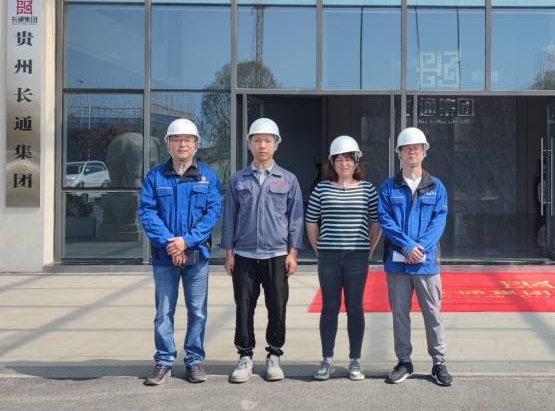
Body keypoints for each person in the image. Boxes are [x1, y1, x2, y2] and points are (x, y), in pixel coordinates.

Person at [220, 118, 304, 383]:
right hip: (244, 255)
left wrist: (293, 253)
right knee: (244, 309)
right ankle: (245, 357)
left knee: (277, 308)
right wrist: (229, 254)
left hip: (277, 255)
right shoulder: (238, 180)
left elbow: (296, 220)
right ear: (249, 144)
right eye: (257, 140)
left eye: (268, 140)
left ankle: (274, 356)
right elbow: (229, 218)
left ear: (276, 144)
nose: (262, 145)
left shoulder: (288, 179)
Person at [139, 118, 222, 385]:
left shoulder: (208, 176)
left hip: (196, 256)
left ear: (196, 144)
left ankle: (194, 361)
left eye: (187, 139)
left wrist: (186, 242)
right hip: (165, 257)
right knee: (164, 311)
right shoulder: (155, 177)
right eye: (176, 139)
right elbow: (147, 212)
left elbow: (213, 213)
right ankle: (164, 361)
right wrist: (171, 243)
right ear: (167, 144)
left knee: (197, 311)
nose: (182, 144)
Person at [377, 127, 453, 387]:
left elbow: (439, 221)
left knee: (432, 313)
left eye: (417, 147)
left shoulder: (436, 187)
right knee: (400, 314)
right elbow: (386, 221)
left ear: (424, 152)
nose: (412, 151)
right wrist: (407, 247)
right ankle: (404, 362)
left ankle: (439, 363)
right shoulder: (388, 187)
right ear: (399, 152)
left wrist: (419, 249)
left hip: (427, 263)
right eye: (407, 148)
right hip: (396, 263)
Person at [306, 136, 382, 381]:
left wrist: (369, 248)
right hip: (328, 257)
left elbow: (377, 221)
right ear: (332, 163)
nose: (344, 163)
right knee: (329, 307)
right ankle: (327, 360)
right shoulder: (322, 189)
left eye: (348, 158)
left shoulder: (368, 189)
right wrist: (319, 249)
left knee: (355, 308)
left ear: (356, 161)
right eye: (338, 159)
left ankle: (354, 360)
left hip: (357, 257)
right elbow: (311, 221)